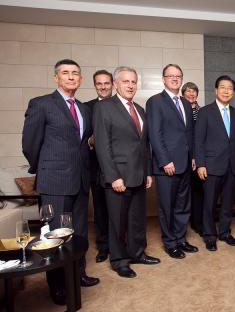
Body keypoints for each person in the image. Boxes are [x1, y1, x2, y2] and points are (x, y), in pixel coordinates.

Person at [22, 59, 99, 305]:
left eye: (75, 73)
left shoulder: (85, 109)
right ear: (56, 78)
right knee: (55, 235)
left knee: (78, 232)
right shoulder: (42, 104)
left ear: (81, 79)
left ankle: (79, 274)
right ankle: (57, 286)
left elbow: (84, 143)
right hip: (54, 181)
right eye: (65, 73)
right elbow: (30, 145)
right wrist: (44, 169)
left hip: (79, 180)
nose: (71, 77)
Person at [93, 66, 160, 278]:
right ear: (115, 84)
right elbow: (103, 146)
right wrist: (113, 176)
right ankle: (119, 260)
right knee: (117, 221)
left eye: (133, 82)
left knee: (137, 219)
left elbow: (144, 144)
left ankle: (137, 253)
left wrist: (148, 171)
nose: (130, 85)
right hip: (118, 177)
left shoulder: (139, 109)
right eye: (126, 81)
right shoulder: (104, 107)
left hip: (139, 175)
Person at [146, 64, 198, 260]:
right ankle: (169, 243)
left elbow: (189, 133)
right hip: (167, 165)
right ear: (163, 79)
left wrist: (193, 156)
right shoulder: (155, 101)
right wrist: (165, 160)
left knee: (183, 204)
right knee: (167, 206)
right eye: (171, 76)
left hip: (185, 163)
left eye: (178, 76)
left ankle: (180, 239)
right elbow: (155, 134)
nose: (175, 79)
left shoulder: (185, 103)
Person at [195, 75, 235, 251]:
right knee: (209, 203)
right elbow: (198, 140)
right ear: (216, 90)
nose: (226, 90)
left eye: (229, 88)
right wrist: (200, 164)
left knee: (228, 202)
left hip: (232, 166)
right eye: (222, 87)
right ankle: (209, 236)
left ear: (233, 92)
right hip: (211, 165)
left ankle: (225, 232)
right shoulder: (205, 112)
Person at [85, 69, 113, 263]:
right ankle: (103, 246)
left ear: (113, 84)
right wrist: (91, 141)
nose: (103, 87)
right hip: (97, 169)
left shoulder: (122, 105)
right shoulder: (87, 107)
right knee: (101, 210)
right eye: (99, 84)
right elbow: (82, 138)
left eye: (106, 83)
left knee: (120, 210)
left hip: (120, 168)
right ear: (95, 85)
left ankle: (121, 244)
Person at [181, 82, 204, 236]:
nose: (191, 94)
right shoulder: (180, 109)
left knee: (198, 191)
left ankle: (197, 222)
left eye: (194, 91)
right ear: (183, 94)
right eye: (188, 91)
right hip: (182, 156)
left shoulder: (202, 111)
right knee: (182, 193)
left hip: (198, 156)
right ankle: (182, 224)